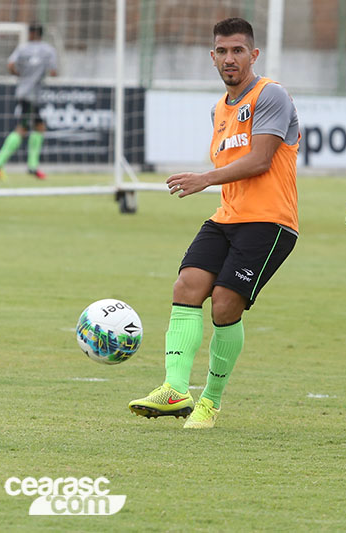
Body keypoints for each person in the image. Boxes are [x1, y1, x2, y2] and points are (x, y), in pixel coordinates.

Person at [128, 17, 300, 429]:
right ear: (212, 57)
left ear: (253, 55)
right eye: (222, 51)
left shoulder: (271, 95)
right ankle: (174, 390)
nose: (229, 59)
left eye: (238, 50)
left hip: (271, 222)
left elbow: (260, 161)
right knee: (186, 286)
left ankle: (211, 401)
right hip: (227, 217)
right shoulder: (218, 110)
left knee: (224, 302)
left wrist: (203, 179)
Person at [0, 22, 57, 181]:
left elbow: (11, 65)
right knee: (23, 129)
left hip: (22, 92)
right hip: (32, 95)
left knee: (39, 127)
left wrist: (20, 74)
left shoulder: (22, 48)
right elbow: (54, 71)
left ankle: (32, 166)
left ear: (31, 33)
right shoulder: (48, 50)